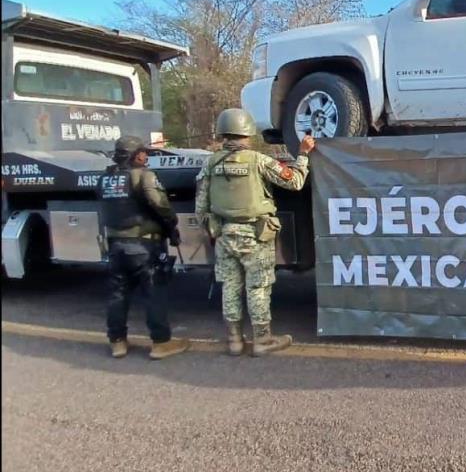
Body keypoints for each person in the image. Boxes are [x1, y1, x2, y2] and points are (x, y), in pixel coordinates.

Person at [195, 108, 315, 357]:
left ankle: (235, 340)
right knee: (258, 288)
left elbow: (200, 207)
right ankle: (262, 340)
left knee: (230, 286)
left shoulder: (210, 163)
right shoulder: (258, 160)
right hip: (256, 235)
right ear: (247, 133)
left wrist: (213, 229)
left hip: (225, 234)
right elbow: (294, 181)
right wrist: (303, 154)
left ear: (223, 133)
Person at [97, 135, 187, 359]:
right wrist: (172, 226)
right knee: (154, 292)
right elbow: (160, 205)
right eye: (143, 152)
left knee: (118, 294)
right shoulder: (144, 176)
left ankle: (117, 342)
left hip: (115, 244)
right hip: (143, 245)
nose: (146, 156)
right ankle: (160, 343)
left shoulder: (105, 178)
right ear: (136, 155)